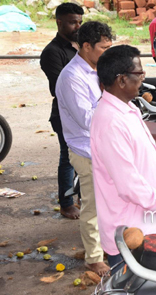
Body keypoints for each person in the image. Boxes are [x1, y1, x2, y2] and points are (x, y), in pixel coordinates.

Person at [91, 45, 156, 270]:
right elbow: (129, 186)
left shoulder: (128, 109)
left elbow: (149, 162)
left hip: (147, 222)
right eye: (139, 74)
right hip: (130, 232)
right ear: (122, 80)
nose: (143, 79)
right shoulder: (110, 122)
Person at [55, 21, 113, 275]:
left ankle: (109, 246)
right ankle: (93, 258)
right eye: (103, 48)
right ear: (86, 46)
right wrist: (112, 101)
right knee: (93, 207)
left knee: (110, 203)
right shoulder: (71, 77)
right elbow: (87, 120)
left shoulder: (97, 68)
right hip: (86, 151)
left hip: (104, 148)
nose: (107, 53)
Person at [40, 3, 83, 220]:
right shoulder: (52, 52)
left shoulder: (80, 46)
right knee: (67, 159)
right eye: (73, 22)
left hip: (83, 112)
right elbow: (60, 87)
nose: (77, 26)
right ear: (59, 22)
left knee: (83, 157)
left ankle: (80, 196)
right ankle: (66, 204)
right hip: (64, 115)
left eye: (80, 22)